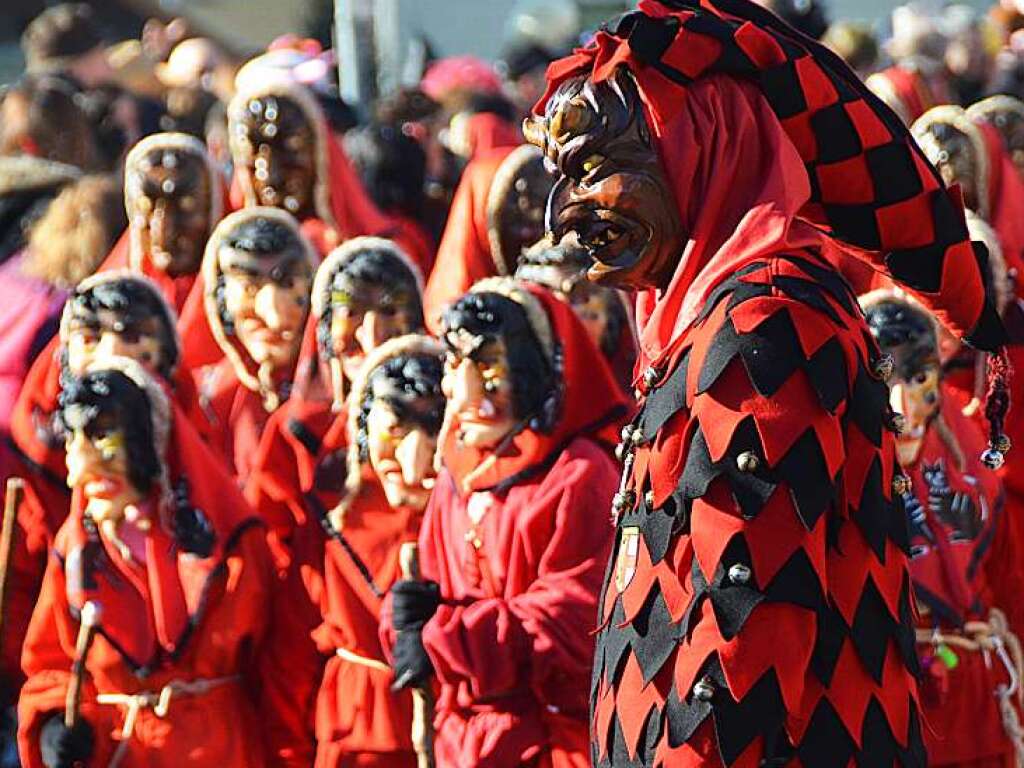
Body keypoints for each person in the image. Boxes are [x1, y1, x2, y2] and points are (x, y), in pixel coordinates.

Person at [526, 0, 1008, 762]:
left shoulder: (767, 327)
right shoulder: (706, 319)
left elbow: (741, 656)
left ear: (701, 147)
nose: (566, 214)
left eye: (598, 168)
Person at [17, 358, 311, 767]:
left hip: (220, 753)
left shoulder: (232, 544)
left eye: (103, 437)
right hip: (123, 754)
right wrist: (56, 724)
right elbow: (53, 664)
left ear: (152, 440)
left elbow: (277, 667)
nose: (78, 473)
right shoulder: (78, 551)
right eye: (72, 442)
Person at [384, 279, 629, 767]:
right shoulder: (459, 474)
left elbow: (572, 621)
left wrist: (447, 640)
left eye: (489, 365)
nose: (469, 390)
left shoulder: (578, 473)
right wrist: (402, 622)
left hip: (552, 743)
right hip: (463, 746)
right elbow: (432, 594)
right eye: (457, 364)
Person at [861, 291, 1024, 767]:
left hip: (975, 712)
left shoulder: (969, 455)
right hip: (884, 714)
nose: (904, 408)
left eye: (918, 378)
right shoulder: (832, 474)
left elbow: (1009, 588)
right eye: (886, 378)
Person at [312, 335, 445, 768]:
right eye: (395, 429)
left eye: (432, 431)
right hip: (357, 730)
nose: (412, 456)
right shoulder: (335, 512)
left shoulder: (473, 518)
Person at [244, 236, 426, 546]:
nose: (372, 336)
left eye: (390, 310)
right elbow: (268, 546)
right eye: (351, 312)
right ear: (325, 328)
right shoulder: (293, 434)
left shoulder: (444, 419)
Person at [191, 208, 317, 482]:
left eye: (288, 285)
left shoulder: (329, 401)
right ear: (219, 300)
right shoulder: (205, 403)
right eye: (250, 288)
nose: (273, 316)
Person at [226, 80, 392, 256]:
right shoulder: (226, 257)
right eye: (252, 159)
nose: (270, 176)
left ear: (320, 151)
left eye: (291, 150)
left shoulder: (376, 252)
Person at [422, 145, 551, 330]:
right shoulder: (450, 322)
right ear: (483, 222)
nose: (535, 228)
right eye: (518, 219)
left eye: (545, 205)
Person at [101, 132, 223, 313]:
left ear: (214, 210)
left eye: (186, 208)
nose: (164, 230)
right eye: (146, 208)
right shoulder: (106, 307)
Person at [516, 235, 638, 394]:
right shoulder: (512, 402)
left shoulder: (641, 397)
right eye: (546, 299)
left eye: (580, 295)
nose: (565, 312)